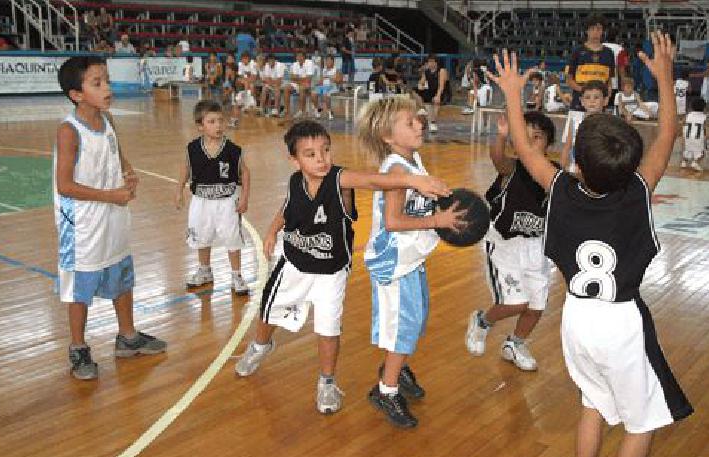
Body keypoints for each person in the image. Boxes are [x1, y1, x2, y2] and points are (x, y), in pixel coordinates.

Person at [486, 33, 693, 457]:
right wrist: (664, 78)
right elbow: (667, 133)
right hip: (621, 321)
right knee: (641, 425)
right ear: (634, 166)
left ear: (576, 159)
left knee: (593, 403)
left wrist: (514, 95)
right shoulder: (639, 190)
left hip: (576, 318)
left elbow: (523, 143)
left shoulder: (558, 188)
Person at [233, 120, 452, 414]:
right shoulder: (294, 182)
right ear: (294, 160)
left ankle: (326, 382)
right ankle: (260, 346)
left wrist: (414, 181)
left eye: (325, 150)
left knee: (329, 328)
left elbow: (373, 181)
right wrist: (272, 231)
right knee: (269, 311)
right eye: (310, 154)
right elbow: (287, 208)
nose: (321, 158)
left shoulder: (339, 179)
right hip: (293, 266)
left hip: (332, 272)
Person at [52, 56, 167, 380]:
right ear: (77, 94)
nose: (107, 88)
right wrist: (110, 196)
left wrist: (128, 173)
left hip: (113, 215)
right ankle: (78, 347)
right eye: (97, 83)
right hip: (82, 224)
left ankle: (127, 337)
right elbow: (65, 186)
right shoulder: (68, 131)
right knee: (80, 287)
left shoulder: (109, 121)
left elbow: (117, 154)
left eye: (107, 80)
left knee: (121, 272)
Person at [357, 95, 466, 428]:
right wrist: (437, 222)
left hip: (410, 257)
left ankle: (395, 365)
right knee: (403, 327)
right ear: (388, 137)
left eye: (418, 119)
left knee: (416, 320)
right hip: (392, 262)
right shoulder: (397, 169)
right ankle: (386, 391)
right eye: (410, 122)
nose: (419, 123)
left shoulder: (413, 161)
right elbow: (393, 221)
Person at [465, 111, 557, 371]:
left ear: (548, 144)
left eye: (536, 137)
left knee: (537, 306)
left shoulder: (554, 174)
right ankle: (482, 321)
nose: (529, 142)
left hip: (536, 247)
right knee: (515, 303)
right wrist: (502, 136)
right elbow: (497, 157)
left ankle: (515, 344)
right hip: (504, 244)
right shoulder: (511, 168)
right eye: (523, 137)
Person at [174, 100, 252, 295]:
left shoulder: (233, 150)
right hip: (200, 201)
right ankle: (205, 270)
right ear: (200, 126)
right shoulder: (192, 148)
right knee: (201, 236)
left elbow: (245, 173)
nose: (218, 125)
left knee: (232, 238)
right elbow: (185, 168)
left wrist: (244, 197)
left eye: (220, 121)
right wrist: (178, 190)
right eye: (211, 121)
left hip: (227, 201)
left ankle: (236, 275)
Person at [563, 16, 615, 113]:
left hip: (599, 105)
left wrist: (607, 96)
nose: (595, 32)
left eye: (598, 29)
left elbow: (609, 81)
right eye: (592, 29)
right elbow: (569, 80)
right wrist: (586, 92)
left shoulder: (609, 53)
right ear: (587, 31)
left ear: (603, 31)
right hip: (579, 102)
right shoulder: (577, 51)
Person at [559, 80, 608, 173]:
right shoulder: (574, 121)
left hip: (600, 172)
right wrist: (561, 170)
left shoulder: (609, 124)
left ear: (605, 100)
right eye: (587, 97)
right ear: (582, 101)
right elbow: (567, 147)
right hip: (576, 170)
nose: (592, 101)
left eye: (596, 97)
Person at [413, 54, 450, 132]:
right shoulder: (426, 72)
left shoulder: (442, 71)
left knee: (435, 102)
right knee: (414, 91)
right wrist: (420, 85)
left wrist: (438, 96)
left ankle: (433, 123)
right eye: (429, 62)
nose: (430, 64)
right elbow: (421, 82)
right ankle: (423, 109)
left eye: (432, 62)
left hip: (442, 91)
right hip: (431, 90)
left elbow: (441, 86)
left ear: (436, 63)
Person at [281, 49, 317, 121]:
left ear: (304, 57)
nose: (299, 58)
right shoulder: (295, 64)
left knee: (302, 88)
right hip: (299, 84)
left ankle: (301, 111)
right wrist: (300, 79)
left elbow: (308, 79)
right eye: (297, 56)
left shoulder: (309, 63)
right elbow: (292, 78)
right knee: (286, 88)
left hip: (311, 84)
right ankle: (286, 110)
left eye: (300, 56)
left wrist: (298, 79)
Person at [680, 96, 708, 171]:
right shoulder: (704, 117)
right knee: (702, 152)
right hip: (698, 138)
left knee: (687, 150)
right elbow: (706, 129)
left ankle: (684, 162)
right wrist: (706, 138)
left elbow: (682, 123)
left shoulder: (688, 115)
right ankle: (695, 162)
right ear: (704, 107)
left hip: (687, 137)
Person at [313, 55, 342, 120]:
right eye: (326, 60)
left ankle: (329, 111)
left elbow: (339, 81)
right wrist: (318, 83)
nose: (327, 62)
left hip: (333, 87)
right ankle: (318, 109)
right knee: (313, 93)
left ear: (333, 61)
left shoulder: (337, 70)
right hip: (323, 87)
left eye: (329, 60)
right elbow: (320, 81)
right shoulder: (323, 70)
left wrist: (329, 78)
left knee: (326, 93)